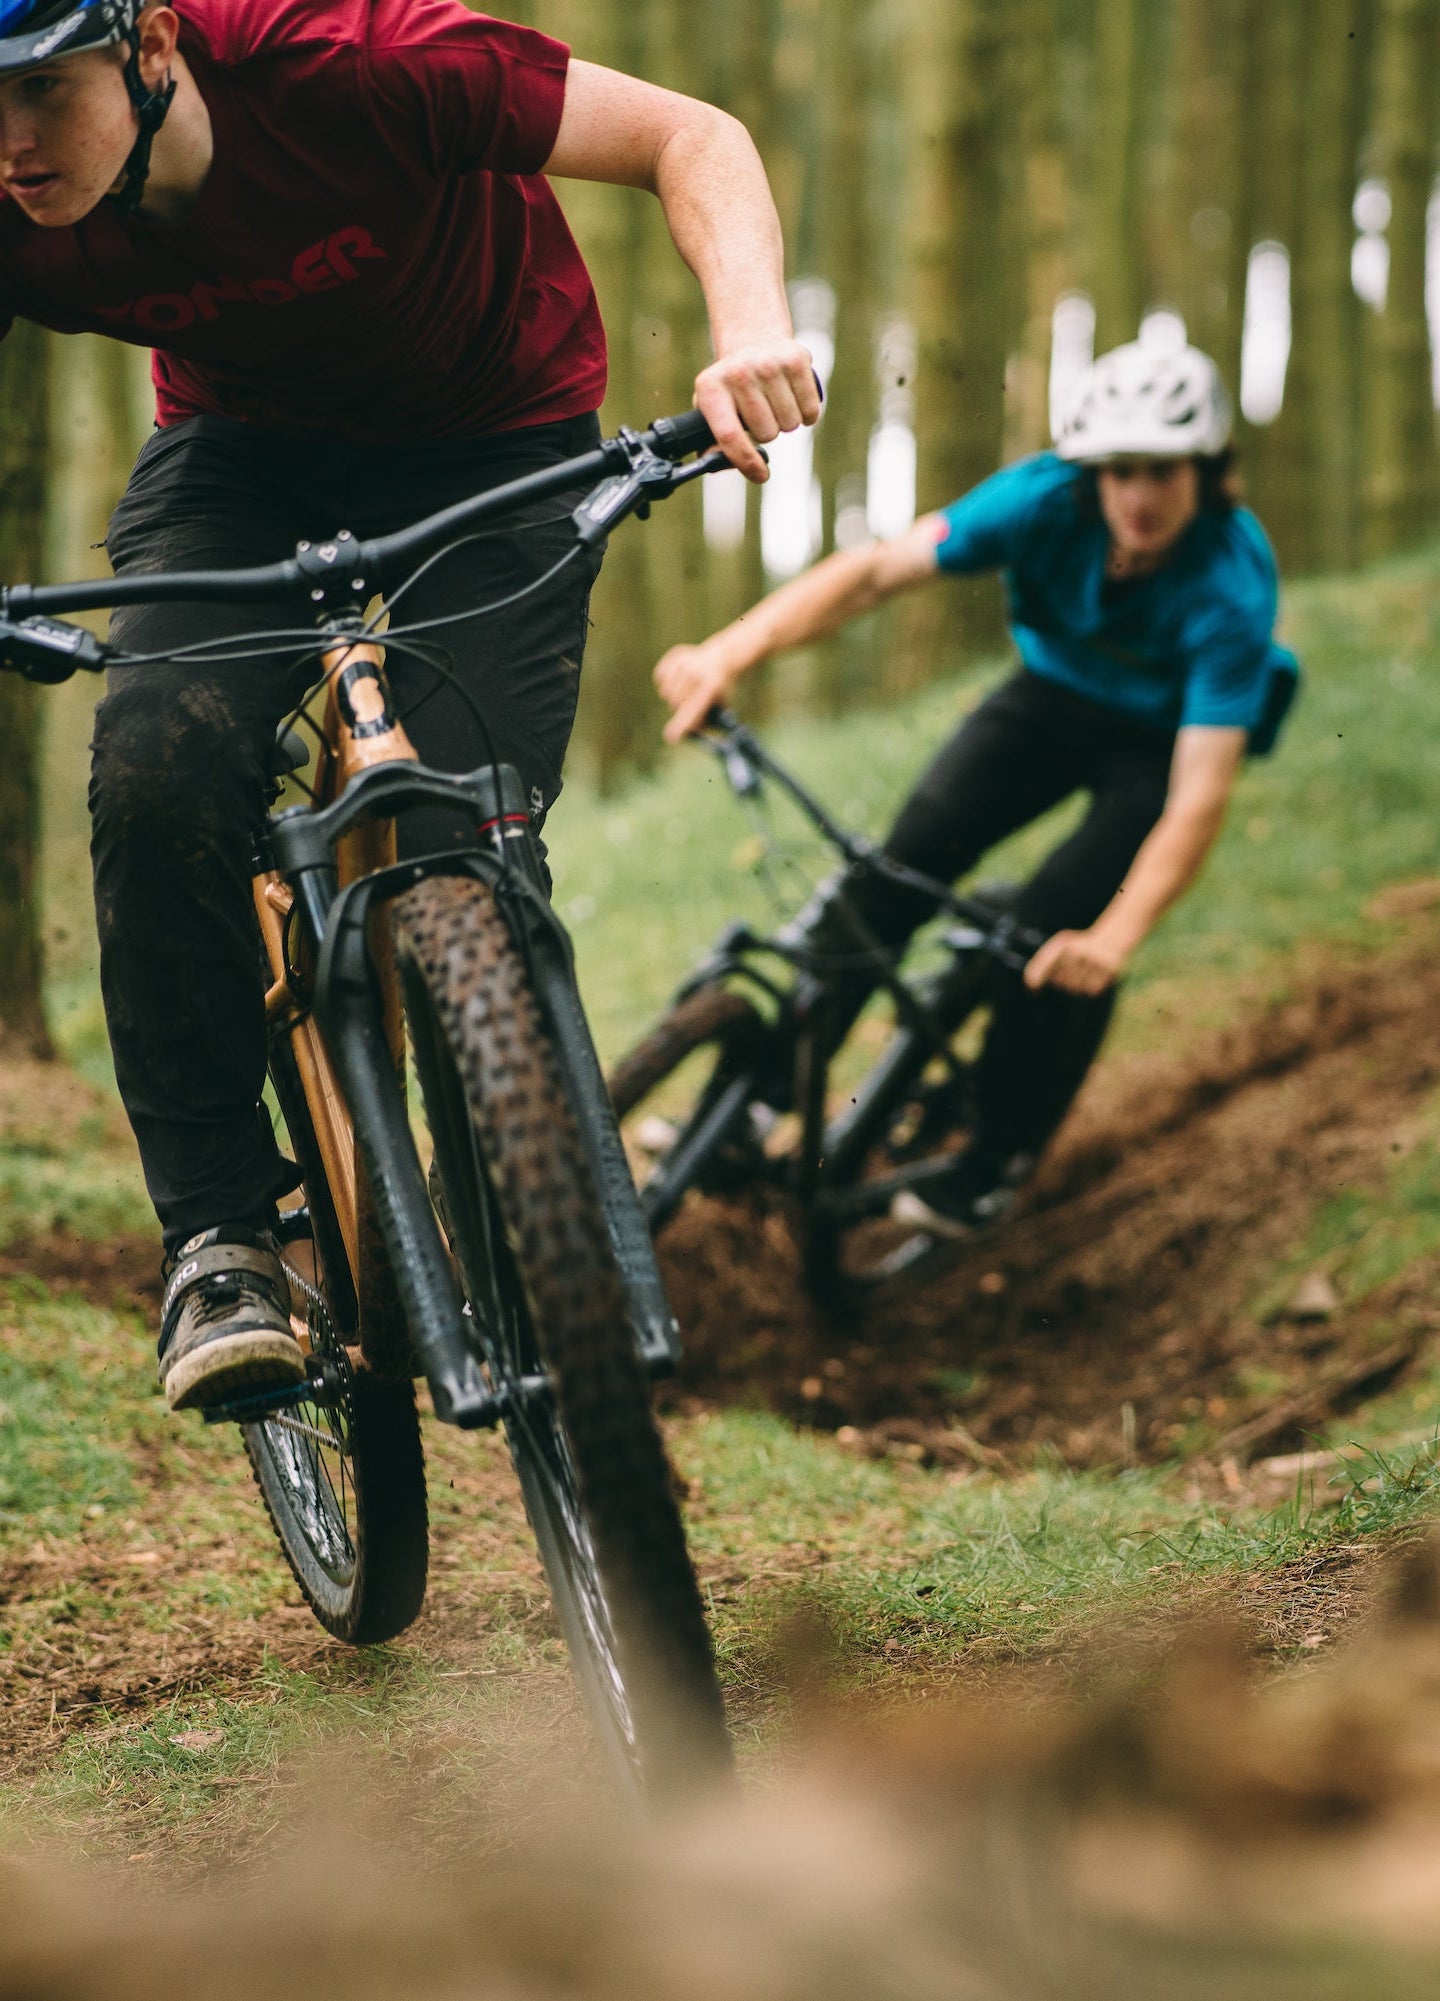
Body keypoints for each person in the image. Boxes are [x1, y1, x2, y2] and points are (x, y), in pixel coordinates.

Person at [0, 0, 820, 1410]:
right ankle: (224, 1239)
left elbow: (696, 134)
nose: (8, 146)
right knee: (154, 767)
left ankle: (517, 1177)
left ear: (150, 50)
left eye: (39, 92)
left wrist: (748, 333)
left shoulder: (352, 63)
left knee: (474, 826)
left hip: (494, 431)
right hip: (237, 461)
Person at [655, 340, 1300, 1238]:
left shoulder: (1232, 581)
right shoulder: (1040, 501)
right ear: (1089, 473)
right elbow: (877, 572)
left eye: (1162, 471)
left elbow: (1198, 794)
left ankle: (995, 1158)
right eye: (1118, 472)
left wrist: (1114, 938)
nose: (1139, 496)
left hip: (1156, 744)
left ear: (1206, 469)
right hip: (1046, 700)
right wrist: (729, 652)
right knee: (896, 869)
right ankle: (761, 1105)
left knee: (1052, 941)